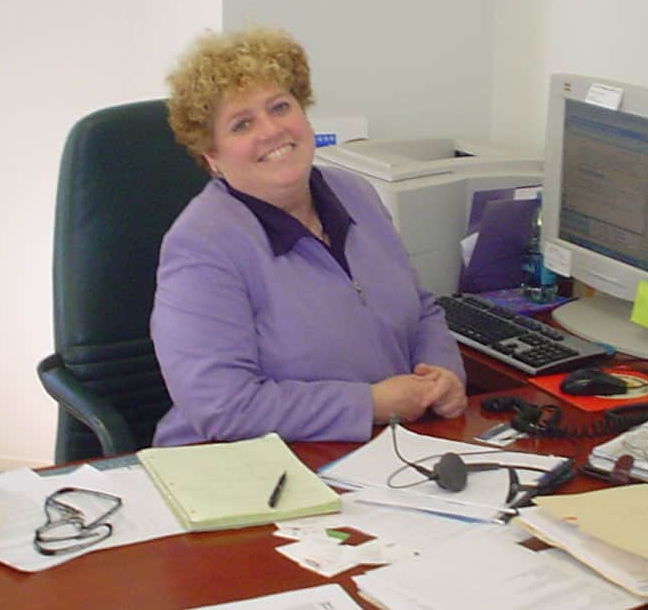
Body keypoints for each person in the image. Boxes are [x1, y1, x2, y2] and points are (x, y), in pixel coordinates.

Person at [151, 26, 467, 446]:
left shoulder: (356, 194)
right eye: (242, 124)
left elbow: (421, 310)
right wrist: (368, 404)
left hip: (379, 450)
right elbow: (222, 406)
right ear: (213, 157)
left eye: (280, 107)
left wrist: (442, 373)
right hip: (246, 469)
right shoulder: (200, 246)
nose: (270, 131)